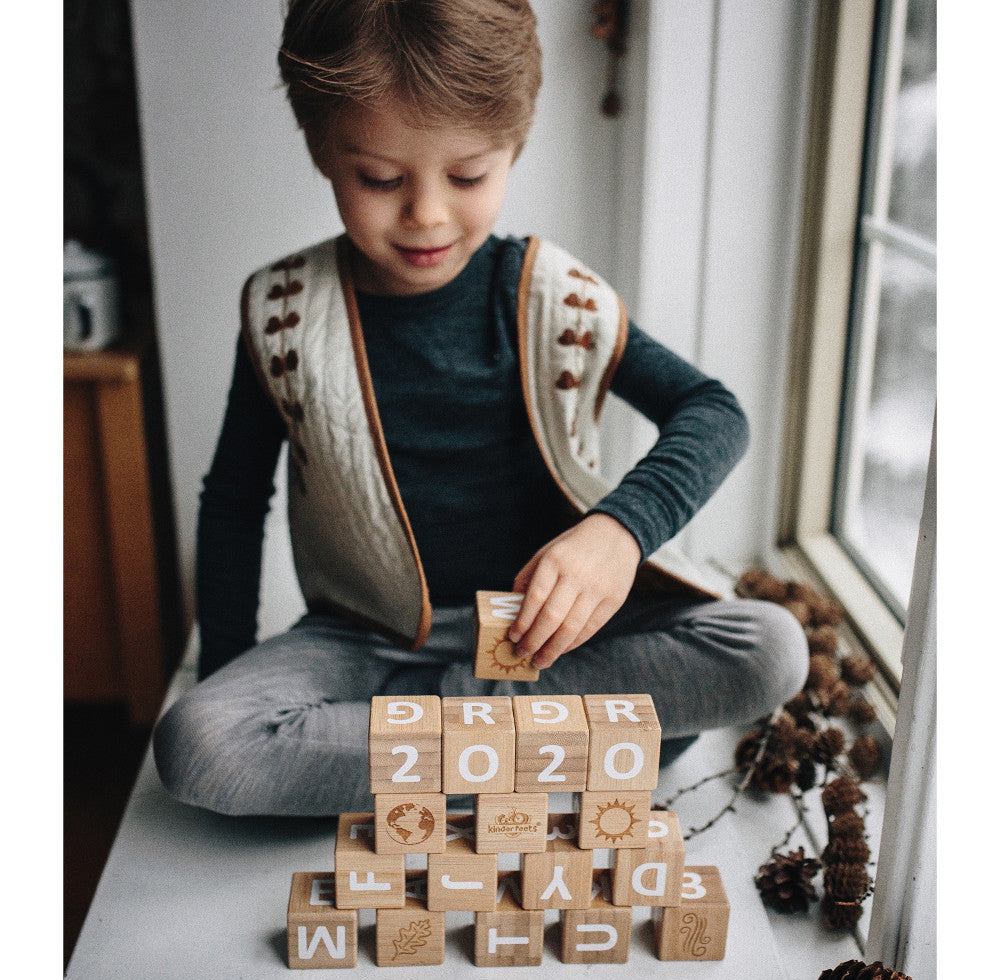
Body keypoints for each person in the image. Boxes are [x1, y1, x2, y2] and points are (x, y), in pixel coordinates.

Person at [153, 0, 807, 817]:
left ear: (515, 146)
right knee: (200, 744)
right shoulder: (283, 311)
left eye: (467, 176)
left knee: (770, 650)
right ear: (322, 148)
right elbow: (235, 501)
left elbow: (713, 411)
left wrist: (618, 533)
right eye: (382, 178)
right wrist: (227, 673)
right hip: (367, 646)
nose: (426, 212)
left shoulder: (549, 294)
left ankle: (451, 746)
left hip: (551, 641)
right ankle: (571, 745)